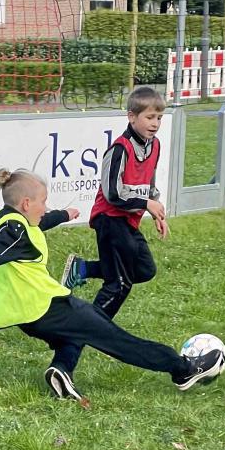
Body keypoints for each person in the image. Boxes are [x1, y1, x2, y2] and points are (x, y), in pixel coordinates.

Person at [0, 168, 225, 401]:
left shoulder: (3, 221)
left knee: (80, 330)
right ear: (26, 204)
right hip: (47, 307)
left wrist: (62, 215)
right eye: (43, 202)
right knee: (115, 338)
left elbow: (32, 225)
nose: (45, 207)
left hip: (26, 316)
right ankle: (184, 369)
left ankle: (61, 370)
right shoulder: (14, 233)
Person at [60, 86, 168, 314]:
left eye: (159, 117)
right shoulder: (120, 149)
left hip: (128, 220)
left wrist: (155, 208)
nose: (155, 123)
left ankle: (81, 269)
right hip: (109, 219)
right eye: (149, 117)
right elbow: (113, 194)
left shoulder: (155, 145)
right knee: (119, 283)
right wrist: (146, 203)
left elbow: (148, 183)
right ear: (131, 117)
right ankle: (93, 330)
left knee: (145, 270)